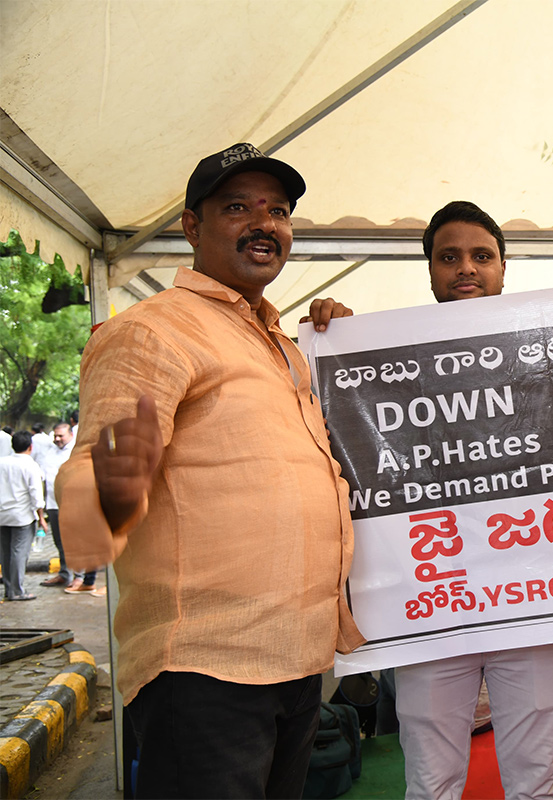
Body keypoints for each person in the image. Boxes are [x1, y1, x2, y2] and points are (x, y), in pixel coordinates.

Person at [56, 143, 365, 799]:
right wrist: (111, 490)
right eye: (237, 208)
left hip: (296, 661)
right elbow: (90, 500)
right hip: (205, 673)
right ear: (192, 227)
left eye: (278, 211)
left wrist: (347, 343)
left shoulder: (282, 344)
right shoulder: (154, 331)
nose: (265, 224)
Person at [312, 200, 553, 800]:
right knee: (430, 783)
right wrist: (334, 336)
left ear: (504, 269)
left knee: (535, 783)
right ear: (429, 270)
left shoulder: (548, 352)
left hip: (531, 596)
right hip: (430, 602)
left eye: (482, 256)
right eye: (448, 257)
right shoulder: (384, 357)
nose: (466, 269)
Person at [1, 430, 47, 601]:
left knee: (5, 553)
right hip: (22, 516)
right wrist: (41, 517)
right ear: (30, 447)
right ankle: (17, 591)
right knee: (19, 553)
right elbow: (36, 495)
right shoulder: (31, 465)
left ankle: (9, 589)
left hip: (2, 515)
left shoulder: (1, 462)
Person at [38, 423, 82, 589]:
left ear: (70, 434)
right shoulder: (50, 451)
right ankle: (65, 573)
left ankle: (79, 576)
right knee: (59, 541)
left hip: (73, 504)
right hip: (53, 503)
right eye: (55, 436)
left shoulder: (76, 451)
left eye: (60, 436)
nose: (57, 439)